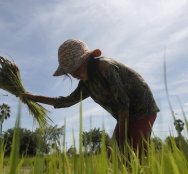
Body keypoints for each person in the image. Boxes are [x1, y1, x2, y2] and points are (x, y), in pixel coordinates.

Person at [22, 39, 159, 160]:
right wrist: (34, 98)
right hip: (125, 116)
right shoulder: (86, 84)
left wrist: (122, 140)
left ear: (87, 59)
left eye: (76, 67)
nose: (73, 73)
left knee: (133, 156)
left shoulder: (105, 67)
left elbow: (123, 102)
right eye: (70, 71)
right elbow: (66, 101)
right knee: (113, 156)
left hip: (143, 109)